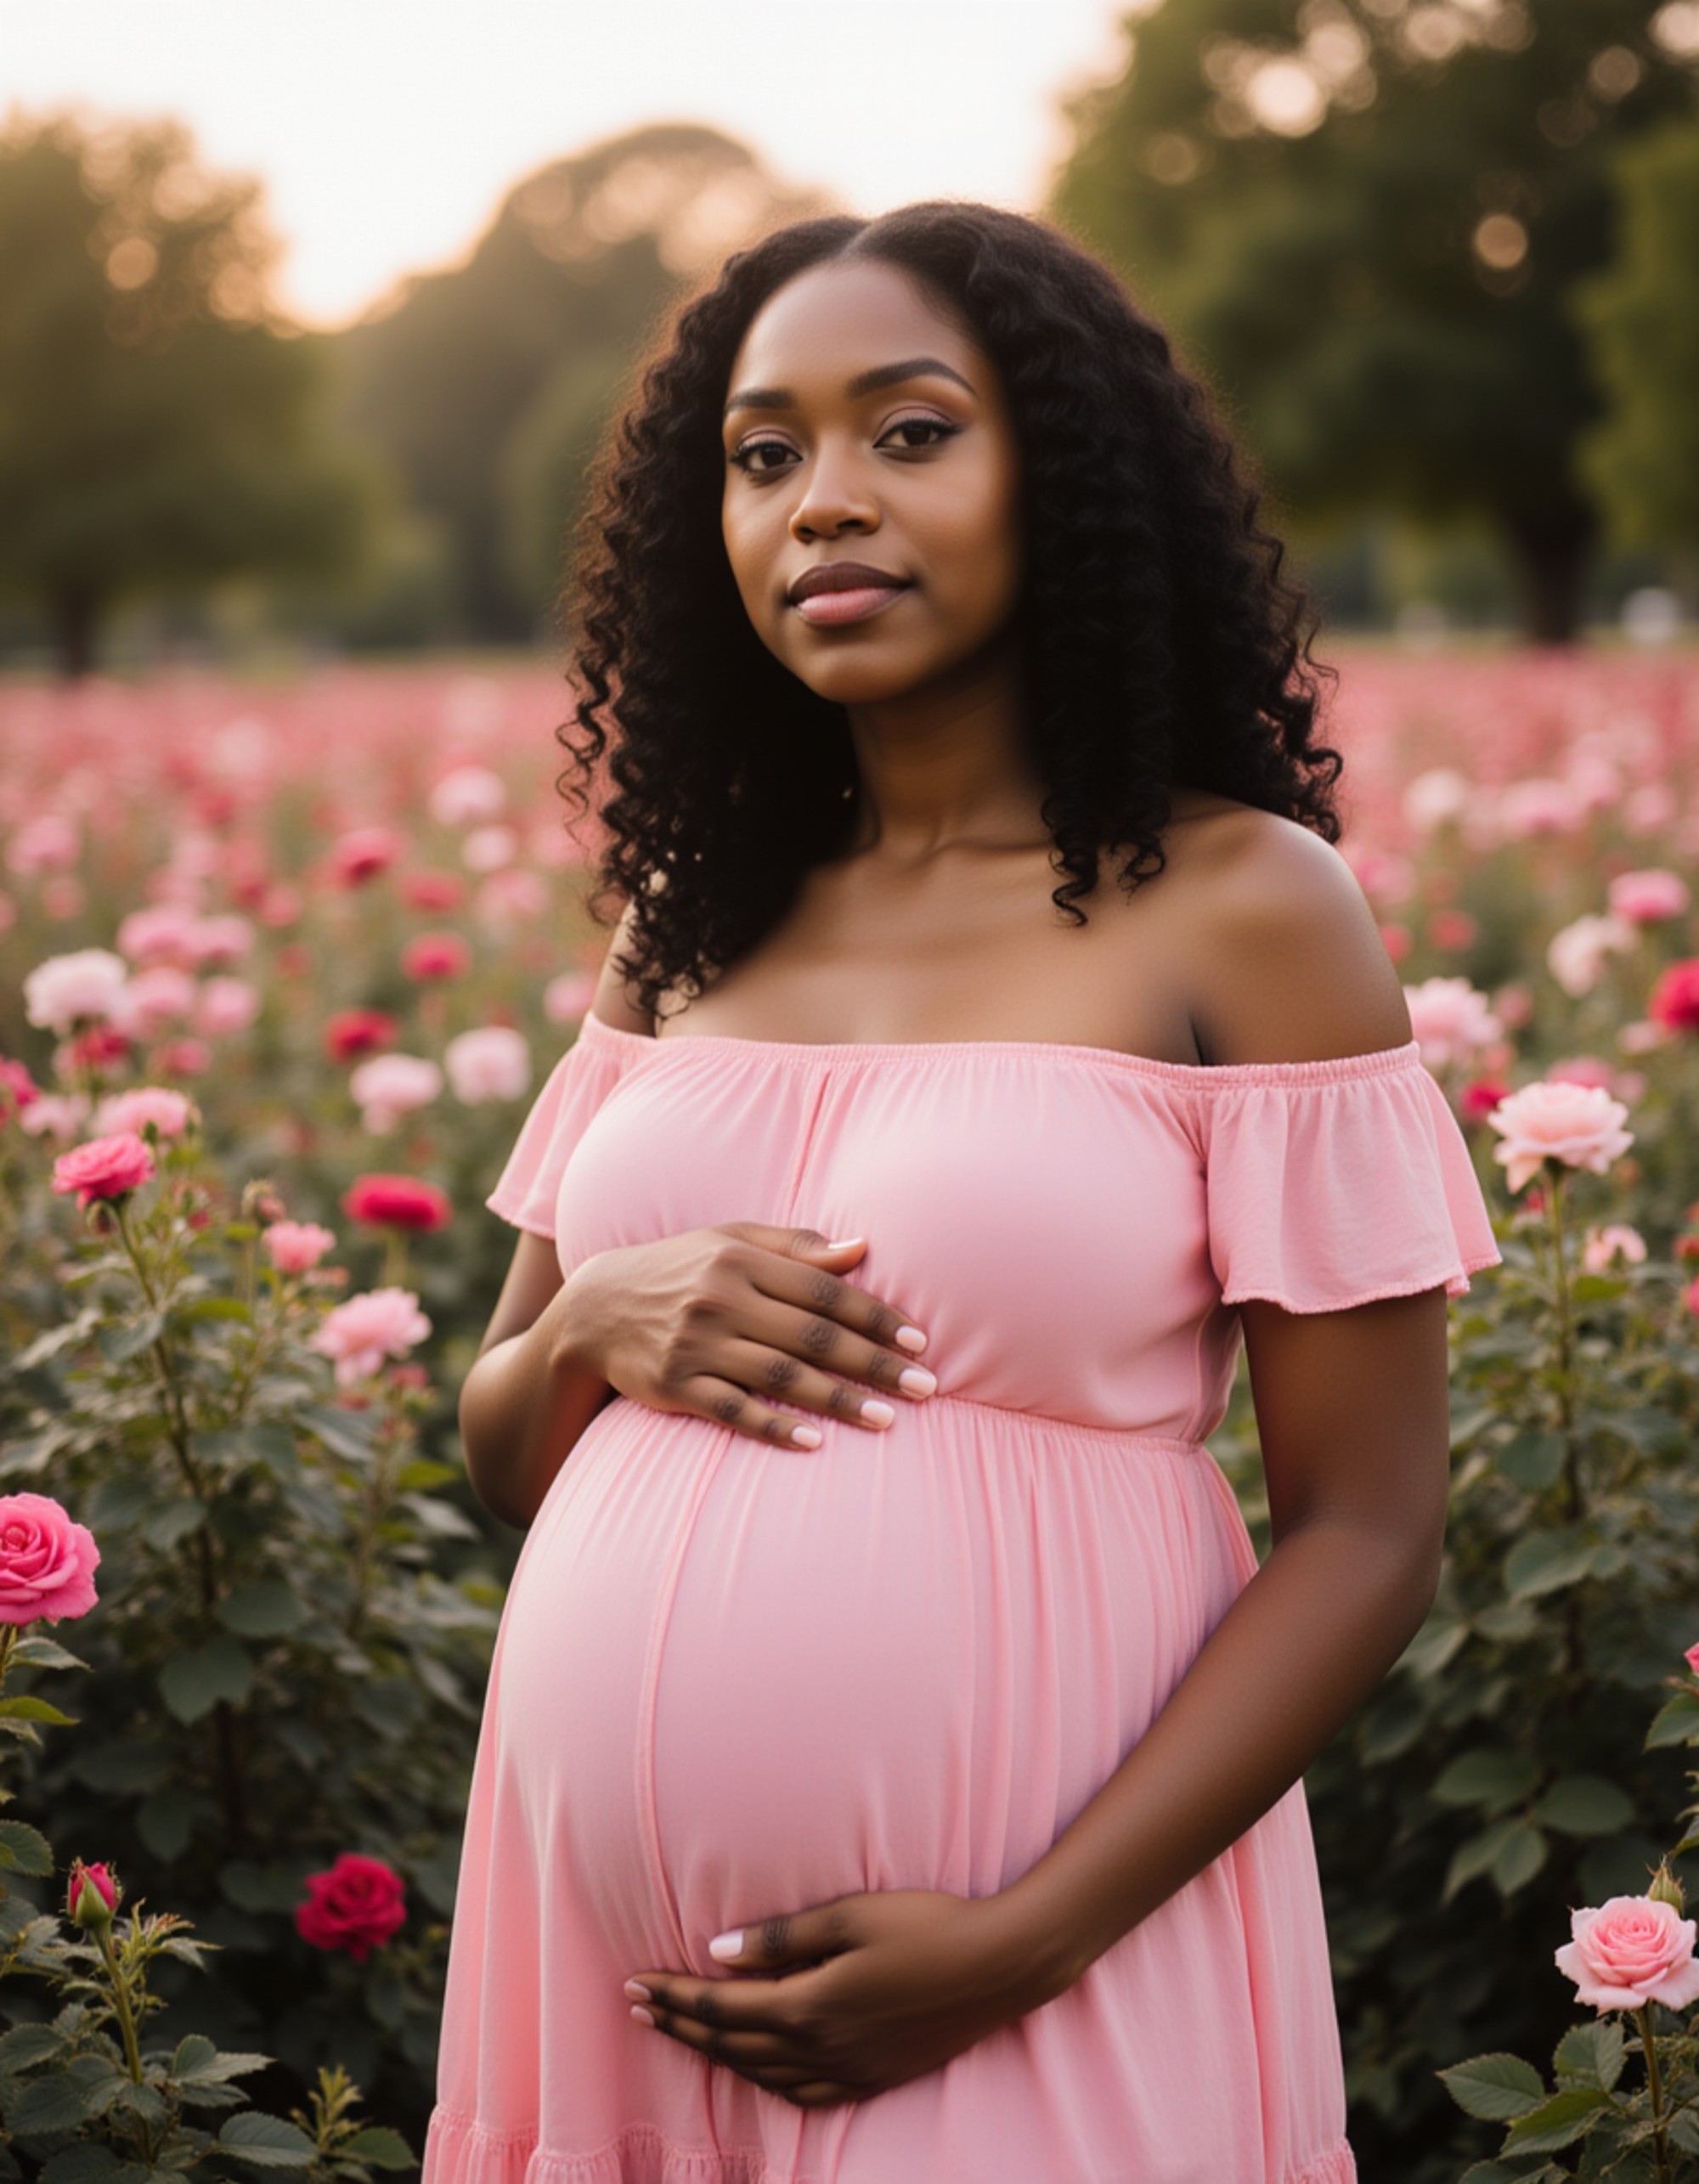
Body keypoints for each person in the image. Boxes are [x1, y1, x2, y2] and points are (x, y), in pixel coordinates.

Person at [422, 201, 1500, 2184]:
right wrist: (586, 1320)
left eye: (909, 432)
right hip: (603, 2001)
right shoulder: (685, 921)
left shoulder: (1249, 906)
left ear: (1066, 481)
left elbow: (1365, 1527)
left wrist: (1027, 1934)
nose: (823, 502)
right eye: (765, 455)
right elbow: (504, 1445)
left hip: (1036, 1950)